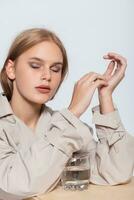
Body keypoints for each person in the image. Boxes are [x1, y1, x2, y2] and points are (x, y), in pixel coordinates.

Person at [0, 28, 133, 200]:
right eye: (35, 65)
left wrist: (105, 96)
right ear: (11, 69)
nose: (47, 76)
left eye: (55, 69)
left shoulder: (65, 127)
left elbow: (116, 171)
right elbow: (16, 185)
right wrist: (73, 111)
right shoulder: (67, 125)